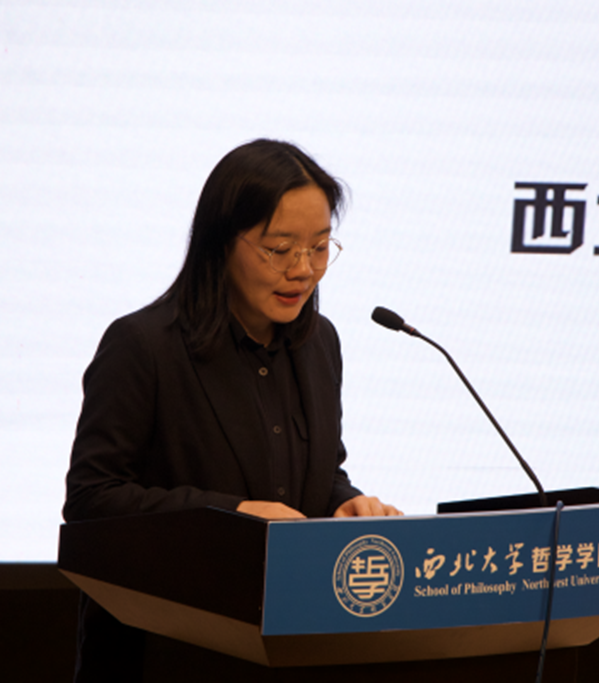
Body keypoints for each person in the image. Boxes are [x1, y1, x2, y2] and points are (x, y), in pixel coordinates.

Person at [62, 138, 401, 681]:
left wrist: (345, 504)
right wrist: (233, 515)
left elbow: (316, 472)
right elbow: (92, 500)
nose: (303, 269)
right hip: (165, 654)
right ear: (222, 241)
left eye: (319, 247)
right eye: (279, 249)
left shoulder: (320, 343)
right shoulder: (142, 346)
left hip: (287, 647)